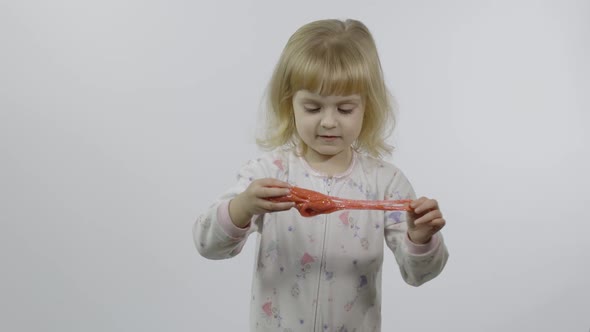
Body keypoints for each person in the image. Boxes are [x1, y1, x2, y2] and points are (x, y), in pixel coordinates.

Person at [193, 18, 449, 331]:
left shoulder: (386, 183)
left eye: (345, 109)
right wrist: (243, 207)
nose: (329, 122)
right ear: (290, 104)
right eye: (313, 107)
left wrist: (421, 239)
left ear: (368, 106)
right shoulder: (268, 173)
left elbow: (418, 274)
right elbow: (208, 245)